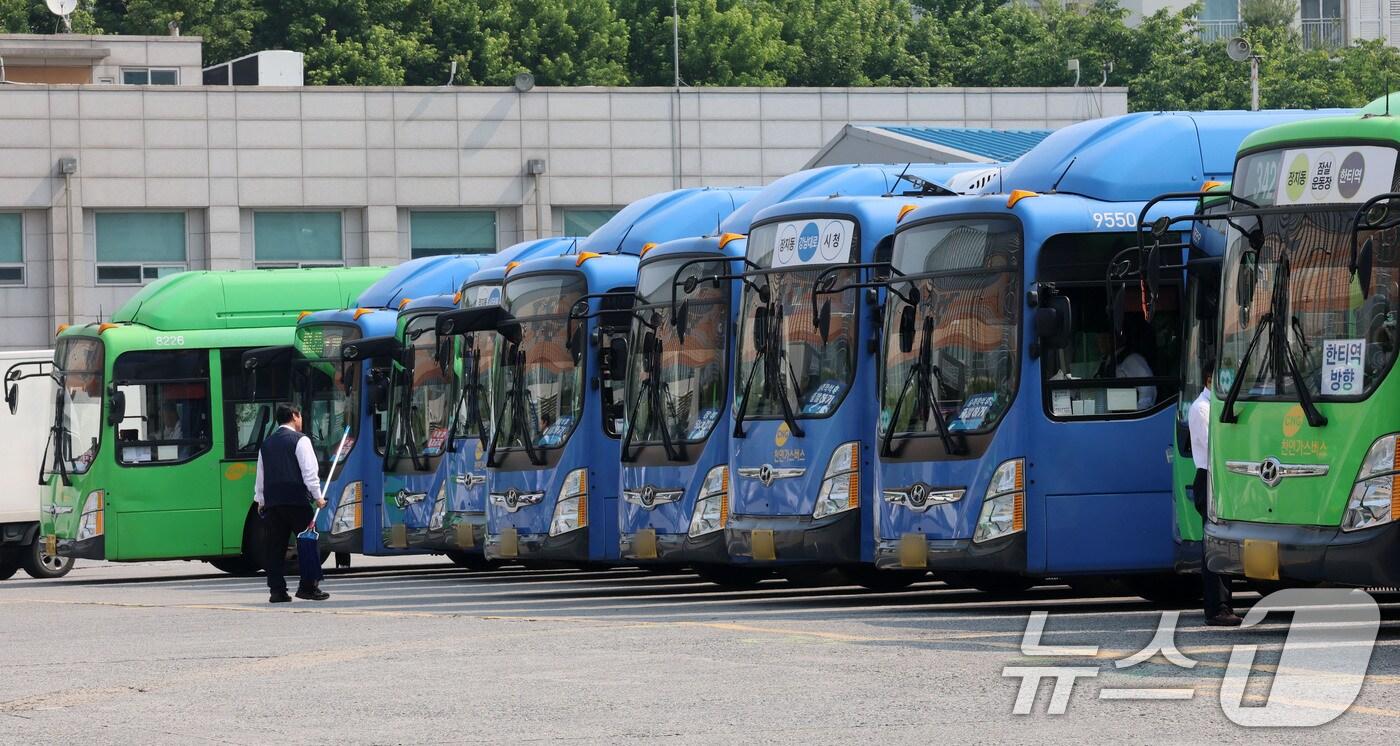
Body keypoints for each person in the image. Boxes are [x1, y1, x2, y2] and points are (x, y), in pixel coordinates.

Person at [254, 404, 329, 603]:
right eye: (300, 416)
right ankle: (308, 587)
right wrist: (318, 496)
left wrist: (260, 500)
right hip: (297, 500)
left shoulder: (266, 444)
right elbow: (309, 472)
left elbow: (260, 475)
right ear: (294, 416)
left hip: (273, 503)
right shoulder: (301, 440)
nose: (301, 420)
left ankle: (277, 591)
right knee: (308, 543)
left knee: (275, 547)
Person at [1189, 358, 1241, 627]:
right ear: (1210, 379)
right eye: (1226, 377)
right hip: (1209, 477)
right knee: (1214, 544)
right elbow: (1216, 448)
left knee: (1222, 542)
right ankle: (1217, 607)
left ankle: (1223, 604)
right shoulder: (1201, 409)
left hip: (1219, 478)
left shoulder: (1216, 407)